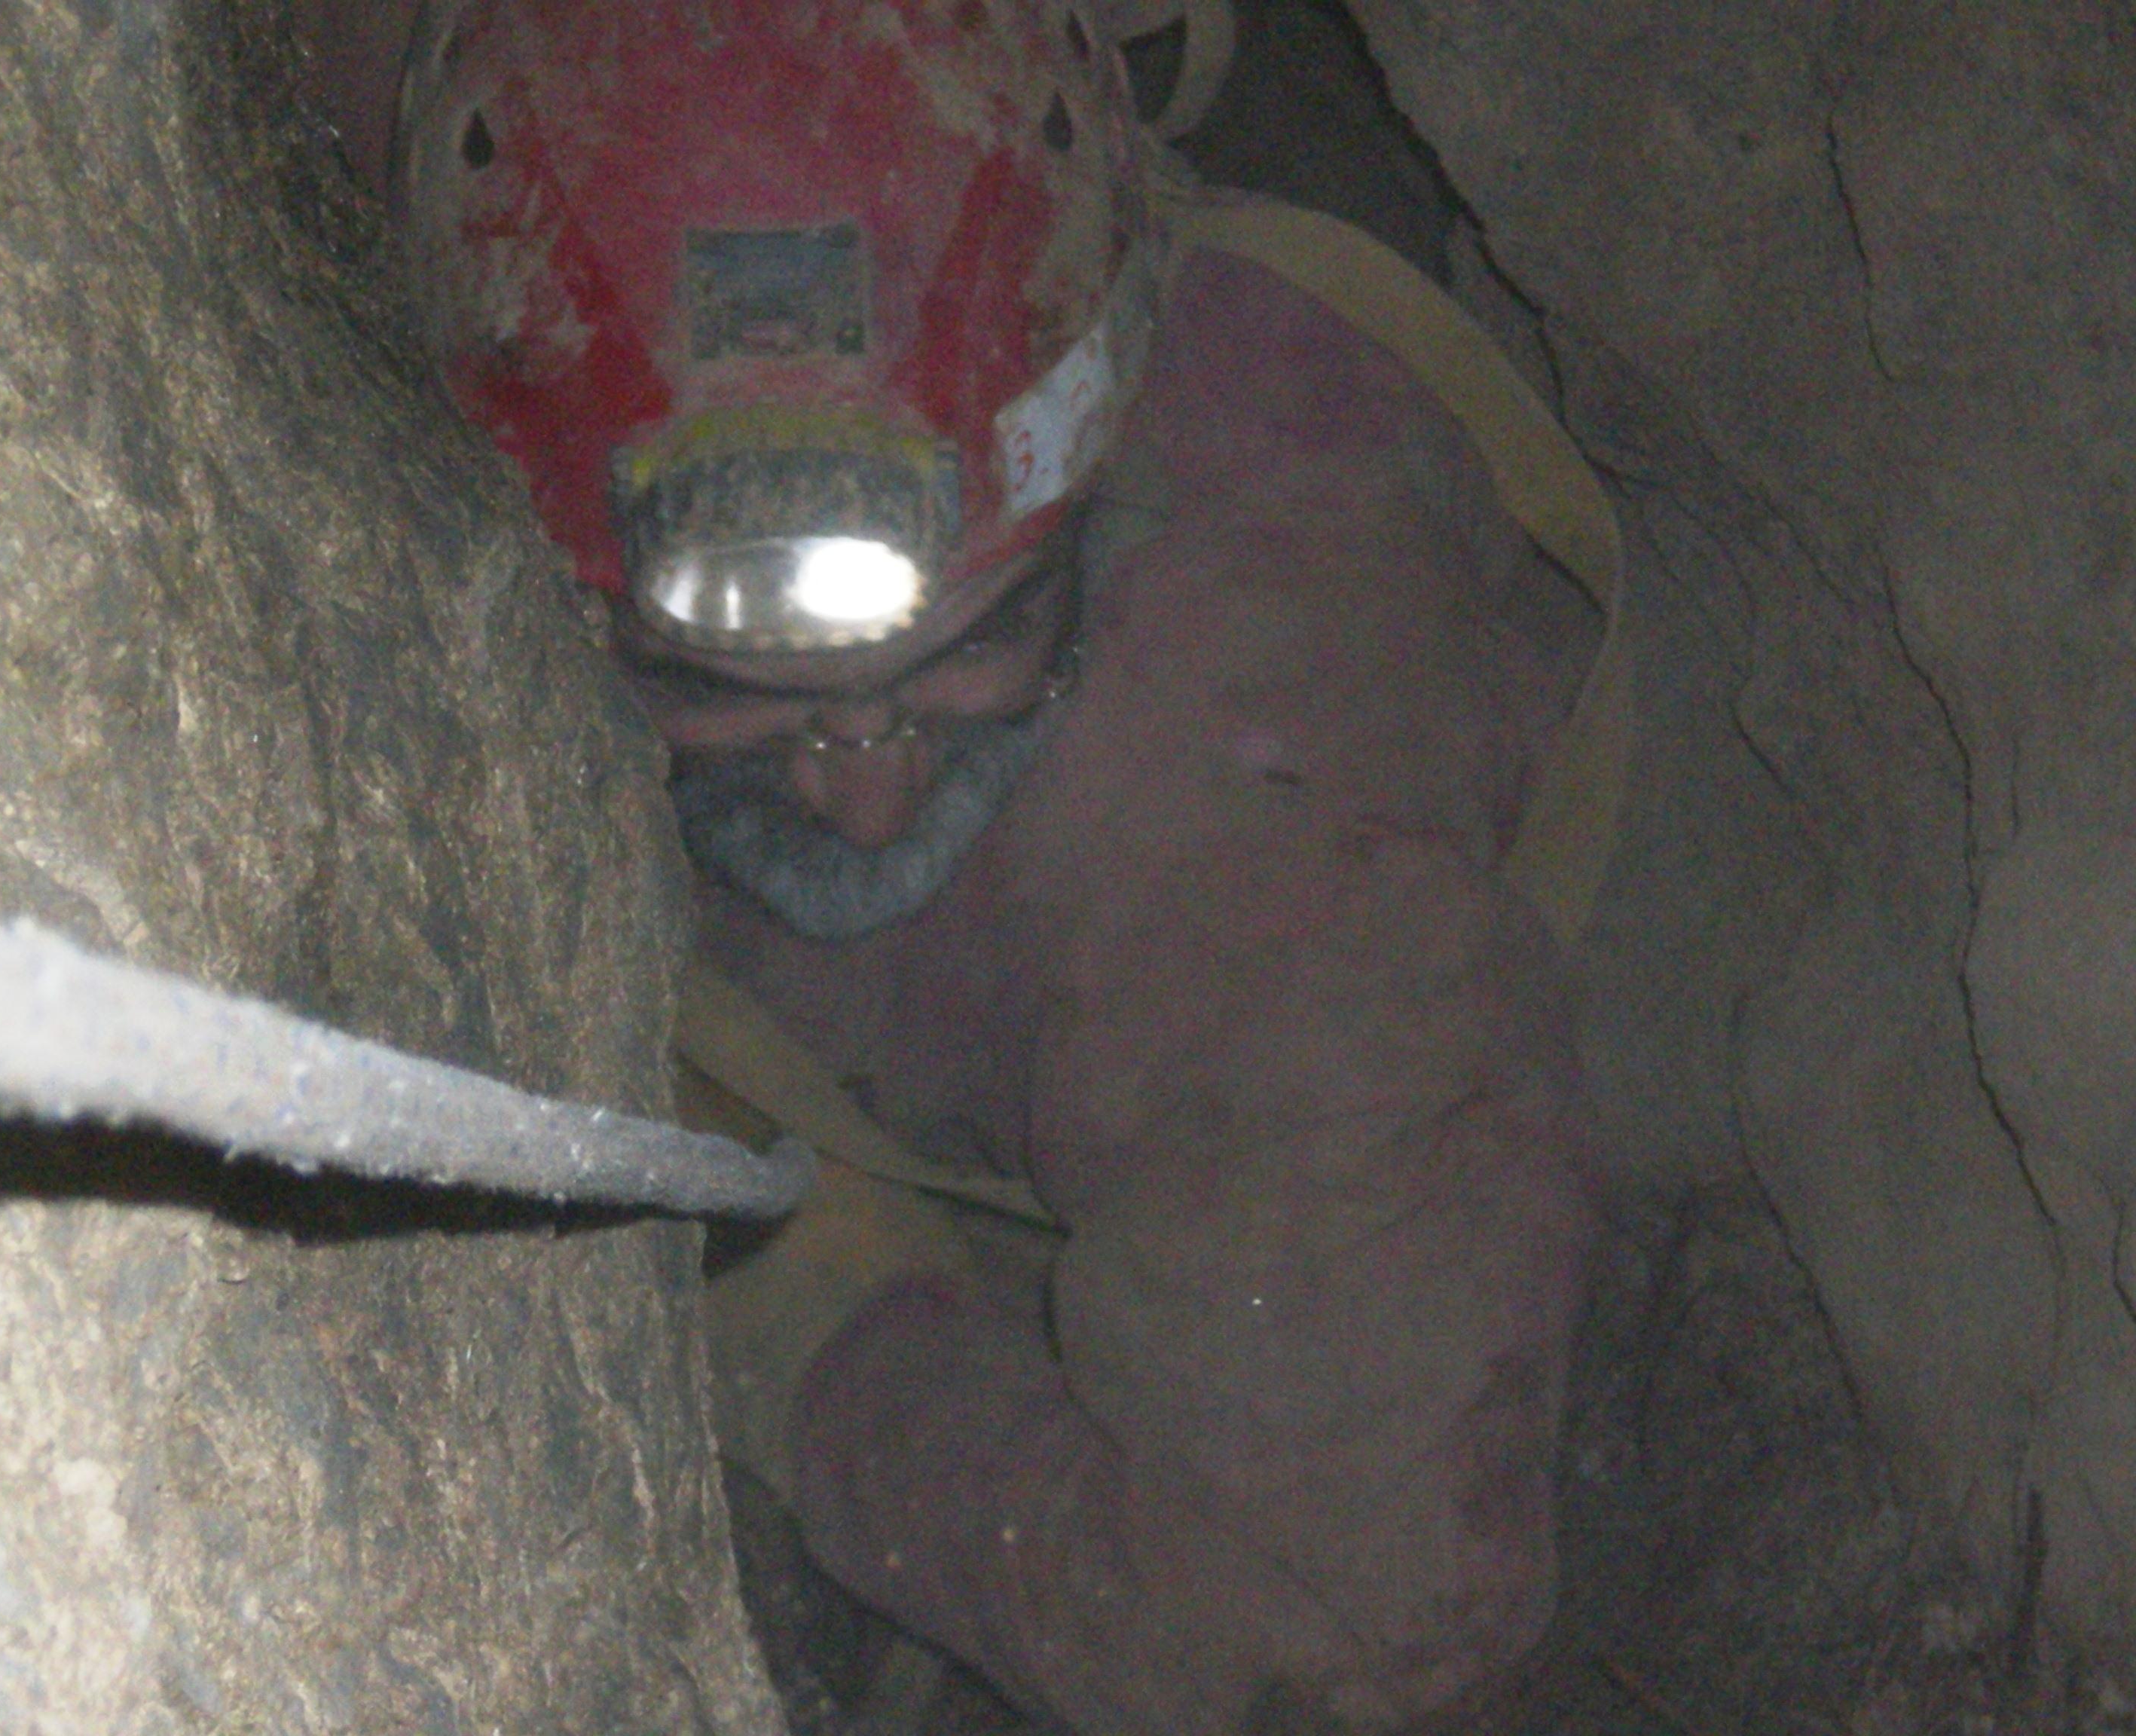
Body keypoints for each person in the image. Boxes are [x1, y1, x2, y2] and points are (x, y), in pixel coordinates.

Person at [385, 3, 1624, 1727]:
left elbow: (1357, 1635)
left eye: (973, 649)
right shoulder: (452, 140)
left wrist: (832, 1342)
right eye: (718, 690)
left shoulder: (1281, 886)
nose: (869, 804)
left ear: (1101, 462)